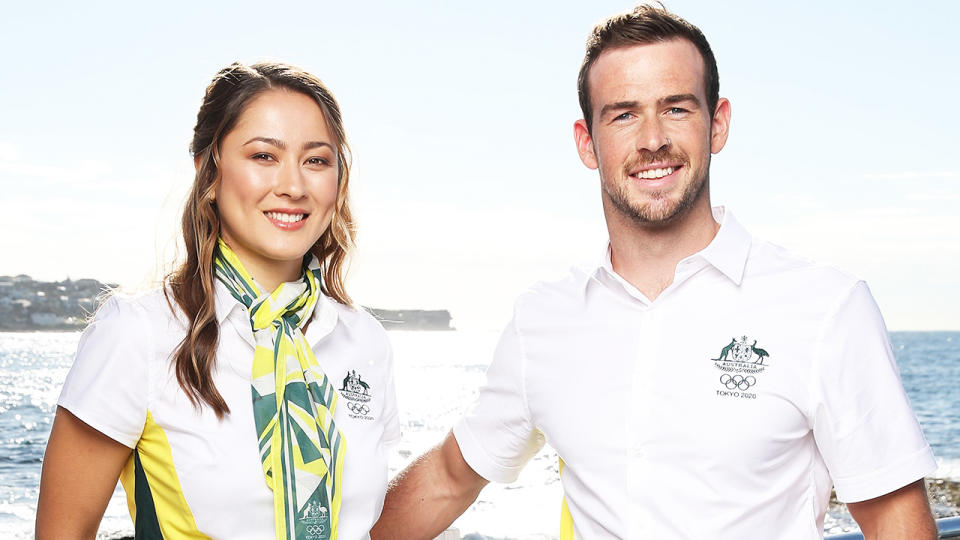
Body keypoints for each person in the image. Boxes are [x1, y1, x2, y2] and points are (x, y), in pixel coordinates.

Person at [372, 5, 937, 540]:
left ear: (717, 124)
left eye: (676, 107)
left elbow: (896, 519)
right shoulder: (542, 320)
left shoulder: (826, 308)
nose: (652, 140)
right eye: (623, 114)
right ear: (586, 142)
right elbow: (449, 477)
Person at [36, 62, 400, 540]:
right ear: (209, 172)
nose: (293, 185)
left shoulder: (364, 340)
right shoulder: (137, 332)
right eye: (264, 156)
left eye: (316, 160)